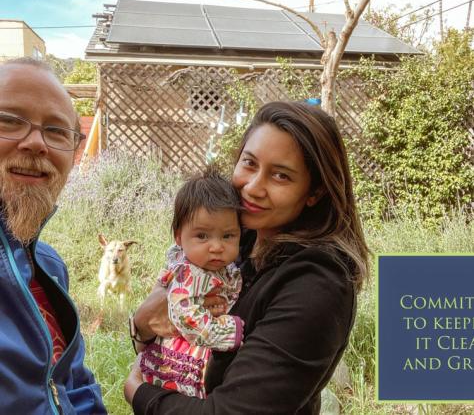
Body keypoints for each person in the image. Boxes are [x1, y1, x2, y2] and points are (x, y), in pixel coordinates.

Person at [125, 101, 369, 414]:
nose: (253, 188)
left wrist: (140, 394)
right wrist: (142, 324)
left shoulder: (316, 285)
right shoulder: (234, 242)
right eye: (249, 164)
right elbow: (156, 326)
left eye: (280, 176)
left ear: (314, 193)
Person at [0, 58, 106, 414]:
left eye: (57, 131)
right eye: (9, 121)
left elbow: (73, 383)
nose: (36, 143)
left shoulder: (48, 264)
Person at [139, 169, 243, 399]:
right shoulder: (188, 272)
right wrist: (226, 331)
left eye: (227, 236)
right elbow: (184, 313)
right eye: (202, 236)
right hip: (180, 354)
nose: (216, 246)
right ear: (179, 237)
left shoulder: (220, 269)